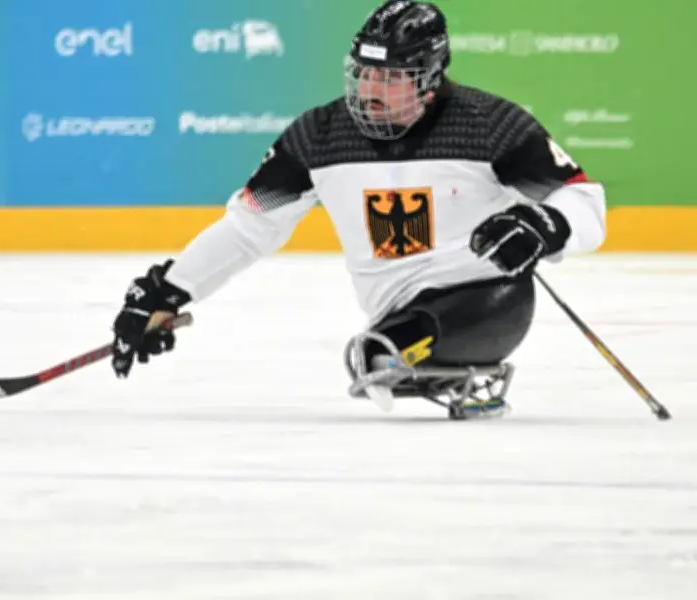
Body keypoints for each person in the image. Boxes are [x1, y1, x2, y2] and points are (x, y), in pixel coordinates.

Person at [109, 0, 606, 419]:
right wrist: (169, 290)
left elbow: (584, 200)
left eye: (391, 78)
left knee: (377, 354)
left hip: (486, 296)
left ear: (430, 79)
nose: (370, 91)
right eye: (365, 74)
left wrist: (546, 224)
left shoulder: (488, 124)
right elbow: (249, 228)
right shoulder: (318, 136)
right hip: (393, 309)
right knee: (379, 352)